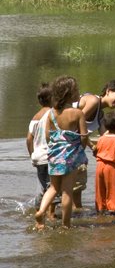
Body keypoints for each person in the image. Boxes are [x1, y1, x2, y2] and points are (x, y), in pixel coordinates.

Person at [35, 76, 89, 230]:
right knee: (67, 191)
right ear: (70, 94)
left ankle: (41, 212)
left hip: (54, 156)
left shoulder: (51, 113)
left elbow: (47, 136)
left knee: (53, 187)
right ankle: (66, 225)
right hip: (70, 158)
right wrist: (80, 151)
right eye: (76, 90)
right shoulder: (77, 113)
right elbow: (84, 136)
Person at [72, 79, 115, 209]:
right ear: (108, 91)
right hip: (65, 146)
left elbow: (108, 137)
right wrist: (92, 146)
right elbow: (76, 125)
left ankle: (77, 212)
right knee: (72, 186)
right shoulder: (93, 101)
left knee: (76, 187)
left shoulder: (101, 115)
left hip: (74, 149)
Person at [26, 82, 55, 220]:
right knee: (53, 186)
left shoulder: (34, 118)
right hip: (50, 155)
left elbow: (28, 139)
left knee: (41, 185)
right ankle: (50, 214)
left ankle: (38, 209)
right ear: (53, 98)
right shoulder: (52, 114)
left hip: (37, 156)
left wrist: (31, 154)